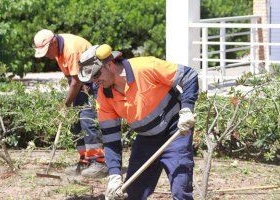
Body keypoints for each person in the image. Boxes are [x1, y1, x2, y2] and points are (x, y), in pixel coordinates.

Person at [78, 44, 199, 199]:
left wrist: (187, 109)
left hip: (176, 133)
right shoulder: (104, 96)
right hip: (146, 140)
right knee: (133, 193)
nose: (95, 81)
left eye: (96, 75)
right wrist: (114, 174)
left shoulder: (145, 67)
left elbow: (189, 76)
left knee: (180, 191)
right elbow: (111, 138)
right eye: (92, 78)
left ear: (110, 64)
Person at [33, 29, 108, 178]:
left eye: (47, 51)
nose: (47, 55)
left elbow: (76, 81)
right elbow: (71, 78)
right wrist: (70, 102)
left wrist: (65, 104)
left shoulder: (71, 49)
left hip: (93, 82)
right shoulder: (57, 51)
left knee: (87, 121)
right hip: (81, 83)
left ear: (53, 42)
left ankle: (99, 163)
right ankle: (85, 160)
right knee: (75, 123)